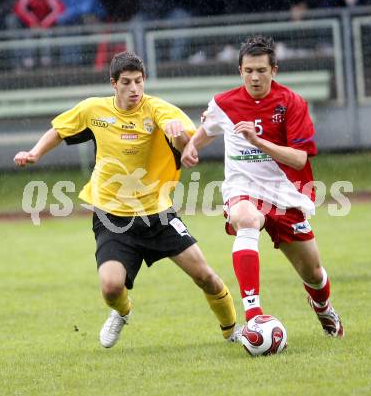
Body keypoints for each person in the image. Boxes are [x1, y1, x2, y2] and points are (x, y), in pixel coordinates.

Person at [13, 51, 239, 348]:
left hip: (157, 214)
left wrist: (183, 142)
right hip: (112, 216)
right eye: (127, 83)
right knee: (110, 288)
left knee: (206, 277)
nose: (135, 89)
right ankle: (122, 312)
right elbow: (59, 130)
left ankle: (233, 332)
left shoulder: (157, 110)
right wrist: (34, 153)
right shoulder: (94, 109)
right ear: (113, 84)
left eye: (139, 82)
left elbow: (188, 146)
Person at [181, 35, 344, 338]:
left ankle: (323, 308)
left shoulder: (292, 103)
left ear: (274, 70)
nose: (255, 77)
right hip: (242, 188)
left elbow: (298, 159)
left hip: (285, 194)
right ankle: (254, 316)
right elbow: (209, 128)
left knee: (314, 273)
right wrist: (192, 145)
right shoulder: (224, 103)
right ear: (239, 71)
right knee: (246, 219)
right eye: (248, 71)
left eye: (261, 70)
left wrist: (258, 142)